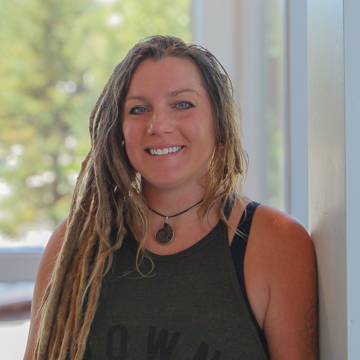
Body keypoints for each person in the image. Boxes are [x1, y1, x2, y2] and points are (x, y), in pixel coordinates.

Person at [24, 35, 318, 360]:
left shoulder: (278, 244)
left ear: (219, 123)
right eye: (139, 109)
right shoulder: (75, 242)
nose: (159, 124)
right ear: (118, 131)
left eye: (182, 104)